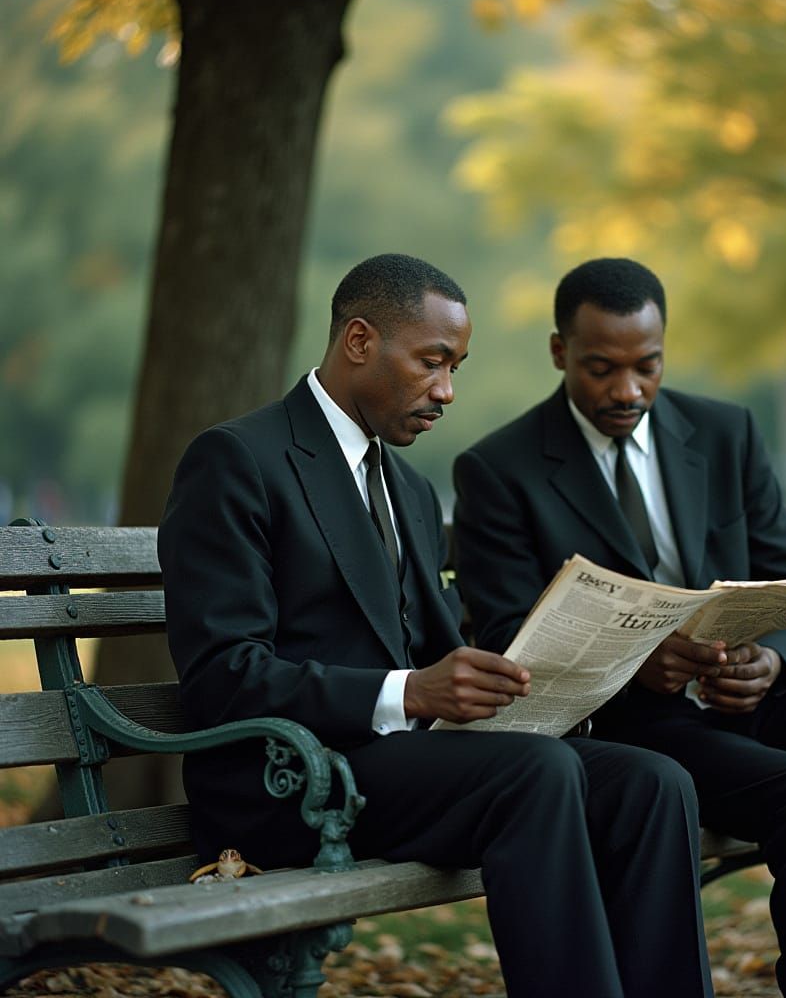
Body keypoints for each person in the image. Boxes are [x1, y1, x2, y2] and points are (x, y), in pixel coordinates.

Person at [159, 253, 714, 998]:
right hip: (292, 780)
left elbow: (440, 650)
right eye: (432, 362)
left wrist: (543, 675)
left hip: (411, 769)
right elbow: (223, 677)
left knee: (651, 781)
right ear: (359, 340)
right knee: (538, 775)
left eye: (456, 367)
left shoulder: (412, 489)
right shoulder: (237, 460)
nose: (447, 391)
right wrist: (410, 693)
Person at [453, 256, 786, 998]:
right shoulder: (500, 469)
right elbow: (513, 638)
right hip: (638, 729)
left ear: (665, 349)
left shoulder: (724, 432)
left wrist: (771, 661)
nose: (627, 390)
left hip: (747, 698)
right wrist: (637, 660)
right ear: (559, 353)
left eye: (647, 366)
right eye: (601, 368)